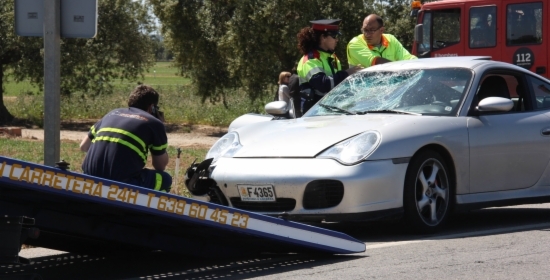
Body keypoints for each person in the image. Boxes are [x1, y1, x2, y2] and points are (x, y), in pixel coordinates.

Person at [79, 84, 172, 192]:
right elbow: (160, 166)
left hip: (89, 178)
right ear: (152, 107)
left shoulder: (112, 113)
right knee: (164, 180)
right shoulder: (154, 123)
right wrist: (160, 131)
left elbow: (84, 146)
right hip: (121, 185)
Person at [297, 19, 362, 114]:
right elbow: (323, 85)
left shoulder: (332, 57)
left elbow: (338, 85)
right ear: (323, 37)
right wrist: (347, 73)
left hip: (332, 111)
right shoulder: (311, 59)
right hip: (314, 115)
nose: (337, 40)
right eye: (334, 36)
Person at [347, 14, 417, 68]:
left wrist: (420, 64)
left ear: (381, 30)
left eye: (371, 30)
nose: (367, 34)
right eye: (365, 30)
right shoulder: (354, 44)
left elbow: (408, 58)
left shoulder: (390, 39)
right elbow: (376, 63)